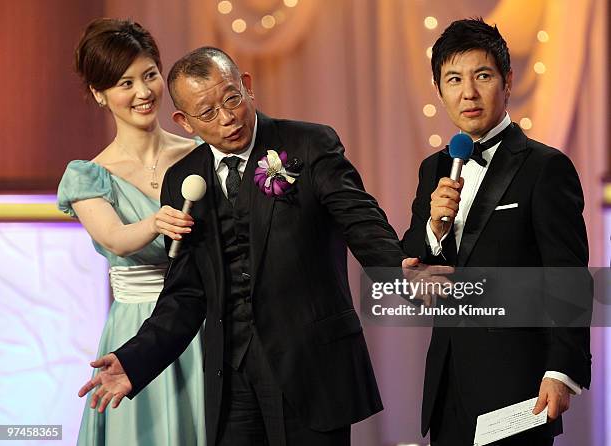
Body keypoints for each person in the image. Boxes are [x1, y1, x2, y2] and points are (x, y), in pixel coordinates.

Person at [76, 46, 420, 446]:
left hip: (310, 365)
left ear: (247, 87)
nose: (227, 119)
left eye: (232, 99)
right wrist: (135, 360)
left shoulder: (308, 144)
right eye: (207, 113)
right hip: (232, 376)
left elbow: (360, 220)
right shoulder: (183, 179)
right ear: (184, 122)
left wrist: (399, 270)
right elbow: (186, 292)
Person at [401, 18, 591, 446]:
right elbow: (411, 268)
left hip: (519, 387)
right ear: (439, 90)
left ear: (507, 81)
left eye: (481, 76)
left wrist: (561, 372)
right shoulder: (434, 169)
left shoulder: (545, 168)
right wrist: (433, 227)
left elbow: (569, 276)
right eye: (453, 79)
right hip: (447, 386)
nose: (467, 93)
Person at [57, 18, 205, 446]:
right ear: (99, 94)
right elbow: (114, 238)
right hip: (137, 329)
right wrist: (156, 221)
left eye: (150, 75)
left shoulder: (198, 153)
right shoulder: (88, 176)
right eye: (124, 83)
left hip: (202, 321)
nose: (143, 93)